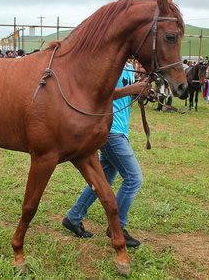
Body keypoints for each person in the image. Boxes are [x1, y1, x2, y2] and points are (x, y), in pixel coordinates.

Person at [62, 61, 150, 248]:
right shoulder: (112, 64)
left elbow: (124, 95)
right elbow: (101, 95)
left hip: (120, 130)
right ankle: (117, 227)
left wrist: (139, 90)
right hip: (110, 132)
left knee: (103, 180)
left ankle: (73, 217)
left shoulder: (127, 67)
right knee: (134, 178)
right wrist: (132, 88)